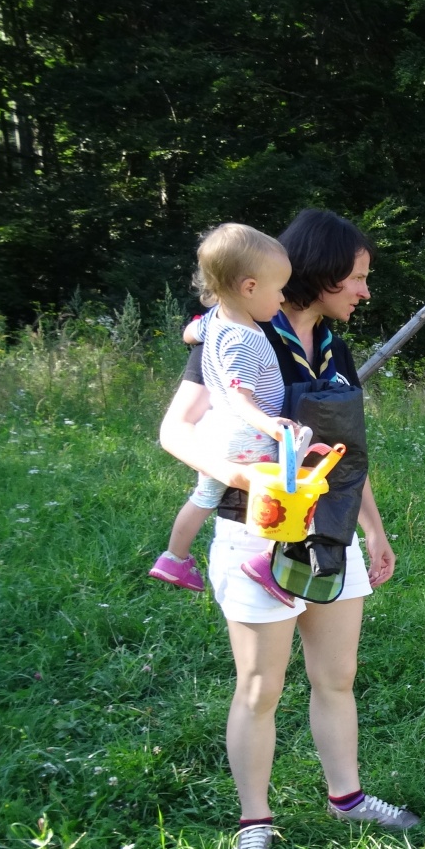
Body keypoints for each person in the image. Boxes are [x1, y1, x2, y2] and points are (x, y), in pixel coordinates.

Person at [158, 209, 414, 849]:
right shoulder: (237, 334)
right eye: (357, 278)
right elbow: (175, 432)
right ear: (324, 274)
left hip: (331, 536)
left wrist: (374, 531)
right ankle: (255, 819)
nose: (364, 291)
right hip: (254, 533)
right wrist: (243, 473)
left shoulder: (334, 348)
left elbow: (347, 452)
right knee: (260, 686)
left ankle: (347, 797)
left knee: (338, 675)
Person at [148, 225, 295, 594]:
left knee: (204, 496)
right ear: (249, 287)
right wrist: (275, 427)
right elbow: (240, 397)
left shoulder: (213, 320)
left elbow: (188, 334)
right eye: (278, 290)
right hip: (249, 434)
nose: (281, 300)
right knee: (287, 492)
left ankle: (174, 558)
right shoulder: (244, 340)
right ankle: (269, 560)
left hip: (216, 433)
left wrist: (193, 332)